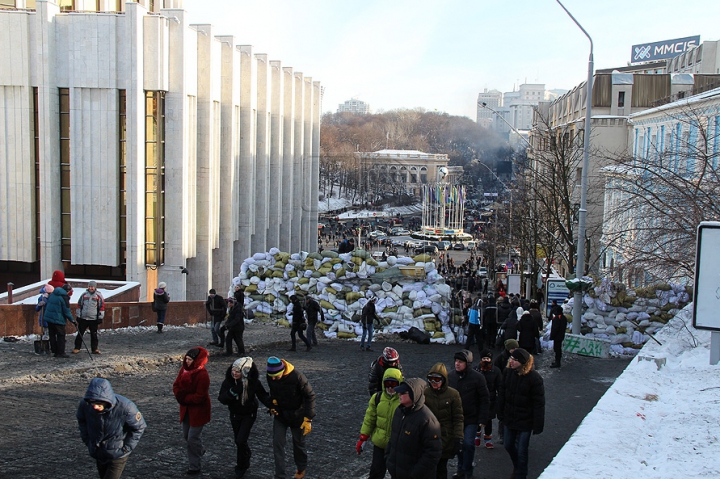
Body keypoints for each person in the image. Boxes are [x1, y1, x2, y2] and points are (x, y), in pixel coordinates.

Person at [77, 378, 146, 479]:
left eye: (99, 404)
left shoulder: (126, 407)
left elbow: (139, 427)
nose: (95, 407)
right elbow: (81, 420)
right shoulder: (85, 405)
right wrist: (88, 441)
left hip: (118, 454)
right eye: (93, 403)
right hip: (99, 453)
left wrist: (126, 448)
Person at [264, 356, 316, 479]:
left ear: (283, 371)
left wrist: (308, 418)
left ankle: (301, 468)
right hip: (280, 415)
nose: (274, 379)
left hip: (298, 416)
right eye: (272, 377)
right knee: (277, 443)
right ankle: (280, 475)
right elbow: (273, 393)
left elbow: (310, 396)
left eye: (276, 376)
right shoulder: (270, 376)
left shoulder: (298, 377)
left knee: (298, 444)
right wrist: (272, 403)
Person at [497, 348, 545, 479]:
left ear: (523, 363)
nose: (511, 361)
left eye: (515, 360)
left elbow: (539, 403)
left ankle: (521, 474)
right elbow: (502, 394)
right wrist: (499, 412)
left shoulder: (534, 379)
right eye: (511, 359)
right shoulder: (507, 373)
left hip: (525, 420)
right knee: (508, 444)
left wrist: (538, 424)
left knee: (522, 450)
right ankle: (517, 466)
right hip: (509, 417)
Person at [218, 357, 269, 479]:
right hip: (235, 414)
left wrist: (274, 405)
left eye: (237, 371)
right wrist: (233, 391)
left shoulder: (253, 383)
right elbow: (222, 399)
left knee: (241, 440)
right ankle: (244, 456)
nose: (234, 373)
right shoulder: (228, 382)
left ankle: (241, 466)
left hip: (249, 414)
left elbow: (263, 396)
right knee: (238, 440)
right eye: (233, 370)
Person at [385, 378, 442, 479]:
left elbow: (433, 454)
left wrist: (414, 474)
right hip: (397, 473)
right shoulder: (399, 411)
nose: (399, 395)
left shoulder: (427, 420)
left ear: (413, 394)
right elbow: (393, 439)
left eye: (403, 393)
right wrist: (389, 459)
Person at [447, 350, 489, 479]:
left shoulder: (478, 378)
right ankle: (461, 469)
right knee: (459, 443)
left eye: (460, 362)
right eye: (456, 361)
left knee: (468, 443)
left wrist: (483, 418)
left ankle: (467, 469)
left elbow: (484, 399)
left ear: (467, 363)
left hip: (471, 417)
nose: (457, 364)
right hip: (455, 418)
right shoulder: (451, 376)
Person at [357, 368, 404, 479]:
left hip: (397, 445)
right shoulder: (377, 398)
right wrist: (363, 437)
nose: (391, 387)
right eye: (388, 384)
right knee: (376, 472)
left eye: (394, 384)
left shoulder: (403, 400)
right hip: (380, 443)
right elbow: (370, 418)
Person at [172, 347, 211, 475]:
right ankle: (199, 450)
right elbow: (176, 385)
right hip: (186, 410)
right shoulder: (184, 370)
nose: (187, 361)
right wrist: (180, 396)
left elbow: (200, 396)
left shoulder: (203, 375)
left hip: (199, 411)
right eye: (186, 359)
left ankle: (194, 466)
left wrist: (184, 398)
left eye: (189, 359)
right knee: (186, 436)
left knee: (192, 438)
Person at [424, 363, 464, 479]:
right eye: (431, 379)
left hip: (444, 438)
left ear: (444, 380)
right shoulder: (425, 393)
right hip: (428, 437)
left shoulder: (453, 395)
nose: (434, 382)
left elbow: (458, 418)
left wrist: (458, 437)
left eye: (437, 379)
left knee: (441, 468)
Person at [474, 349, 502, 449]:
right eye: (484, 358)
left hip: (491, 399)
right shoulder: (475, 370)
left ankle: (488, 439)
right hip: (478, 399)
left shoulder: (496, 371)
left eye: (488, 358)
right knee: (477, 418)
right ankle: (477, 436)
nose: (486, 360)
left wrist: (500, 397)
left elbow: (499, 385)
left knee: (488, 420)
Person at [44, 282, 77, 358]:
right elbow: (67, 311)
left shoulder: (53, 294)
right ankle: (61, 352)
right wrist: (72, 320)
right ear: (68, 291)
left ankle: (54, 351)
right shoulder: (64, 297)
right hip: (58, 319)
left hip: (49, 318)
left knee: (52, 335)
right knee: (61, 335)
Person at [73, 281, 105, 355]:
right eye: (89, 286)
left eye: (92, 287)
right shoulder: (84, 295)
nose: (90, 288)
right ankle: (77, 347)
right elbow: (79, 305)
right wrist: (78, 315)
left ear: (95, 287)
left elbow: (101, 307)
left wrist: (100, 317)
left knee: (94, 335)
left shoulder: (98, 296)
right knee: (80, 333)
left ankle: (94, 349)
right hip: (84, 318)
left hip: (93, 318)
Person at [34, 283, 54, 354]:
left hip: (51, 318)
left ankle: (49, 346)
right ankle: (44, 346)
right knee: (46, 333)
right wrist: (40, 305)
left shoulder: (52, 297)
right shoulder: (42, 298)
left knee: (51, 333)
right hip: (44, 318)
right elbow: (37, 309)